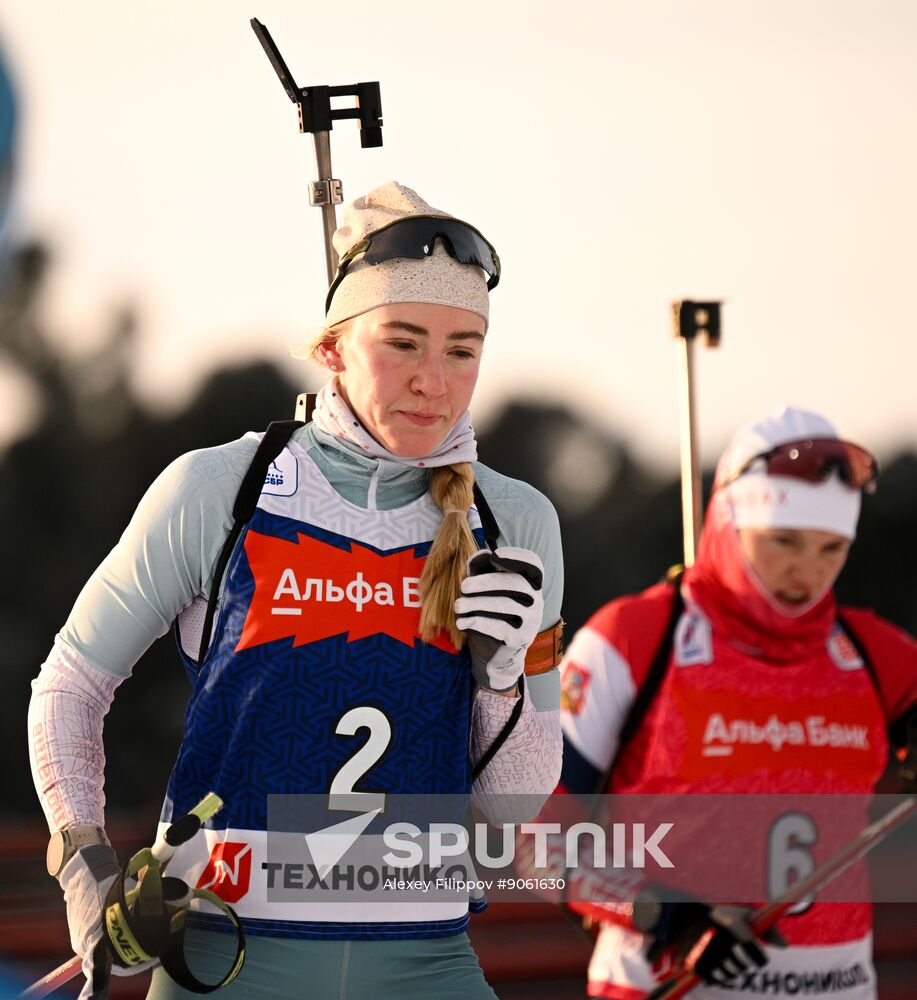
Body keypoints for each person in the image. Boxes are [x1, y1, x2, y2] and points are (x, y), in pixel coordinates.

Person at [28, 181, 564, 1000]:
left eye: (462, 349)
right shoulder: (223, 489)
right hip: (227, 956)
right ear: (331, 350)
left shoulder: (514, 520)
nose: (432, 380)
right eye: (402, 342)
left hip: (426, 957)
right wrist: (85, 865)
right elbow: (71, 682)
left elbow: (512, 810)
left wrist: (502, 683)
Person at [556, 406, 917, 999]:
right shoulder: (634, 639)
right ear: (726, 518)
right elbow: (532, 837)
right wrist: (672, 917)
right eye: (783, 541)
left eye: (832, 548)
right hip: (672, 983)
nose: (807, 571)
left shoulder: (873, 652)